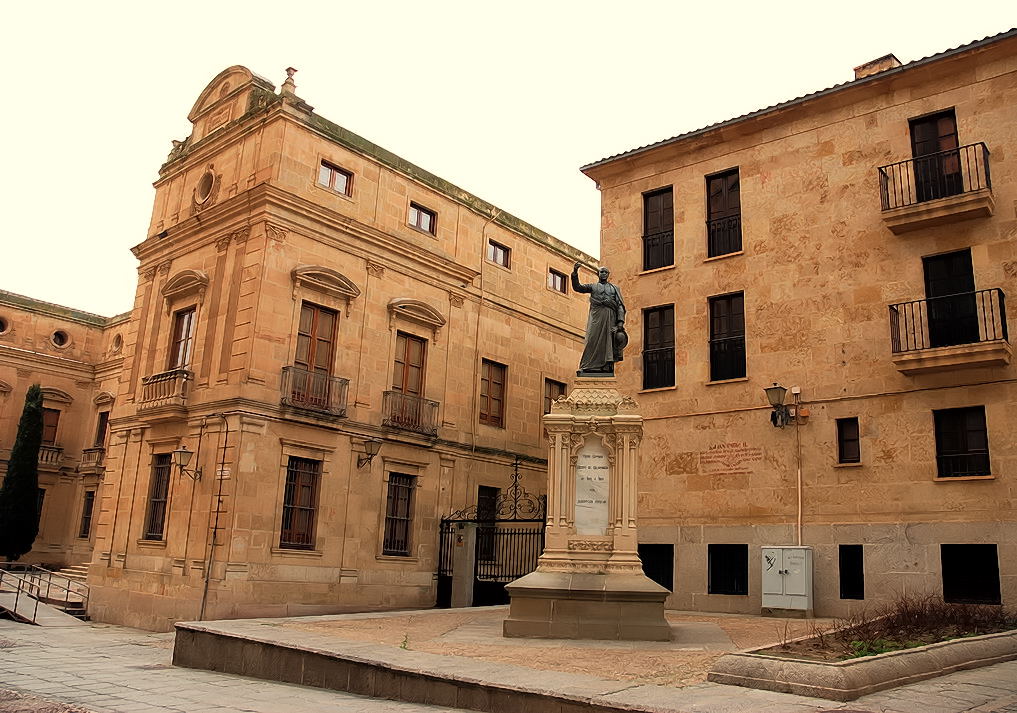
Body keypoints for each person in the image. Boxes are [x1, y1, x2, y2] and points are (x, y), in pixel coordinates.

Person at [571, 262, 626, 375]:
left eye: (606, 272)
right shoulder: (593, 286)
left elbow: (620, 305)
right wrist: (575, 273)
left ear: (608, 274)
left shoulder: (614, 288)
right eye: (602, 272)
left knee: (608, 341)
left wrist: (620, 323)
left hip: (610, 318)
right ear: (598, 274)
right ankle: (587, 366)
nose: (604, 274)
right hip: (596, 317)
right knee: (592, 338)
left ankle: (606, 366)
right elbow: (578, 287)